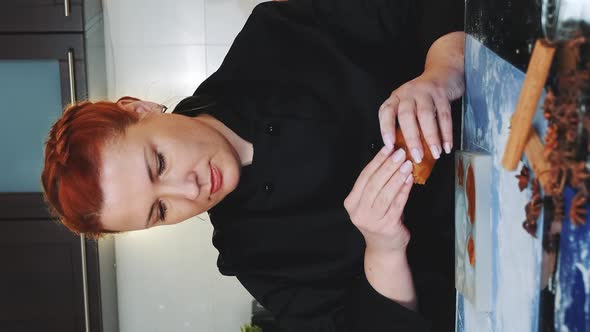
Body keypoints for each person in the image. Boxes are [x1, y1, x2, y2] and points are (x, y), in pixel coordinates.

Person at [42, 0, 465, 331]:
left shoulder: (272, 39)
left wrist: (440, 71)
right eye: (161, 210)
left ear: (141, 108)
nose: (189, 192)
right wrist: (383, 249)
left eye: (160, 164)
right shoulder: (253, 257)